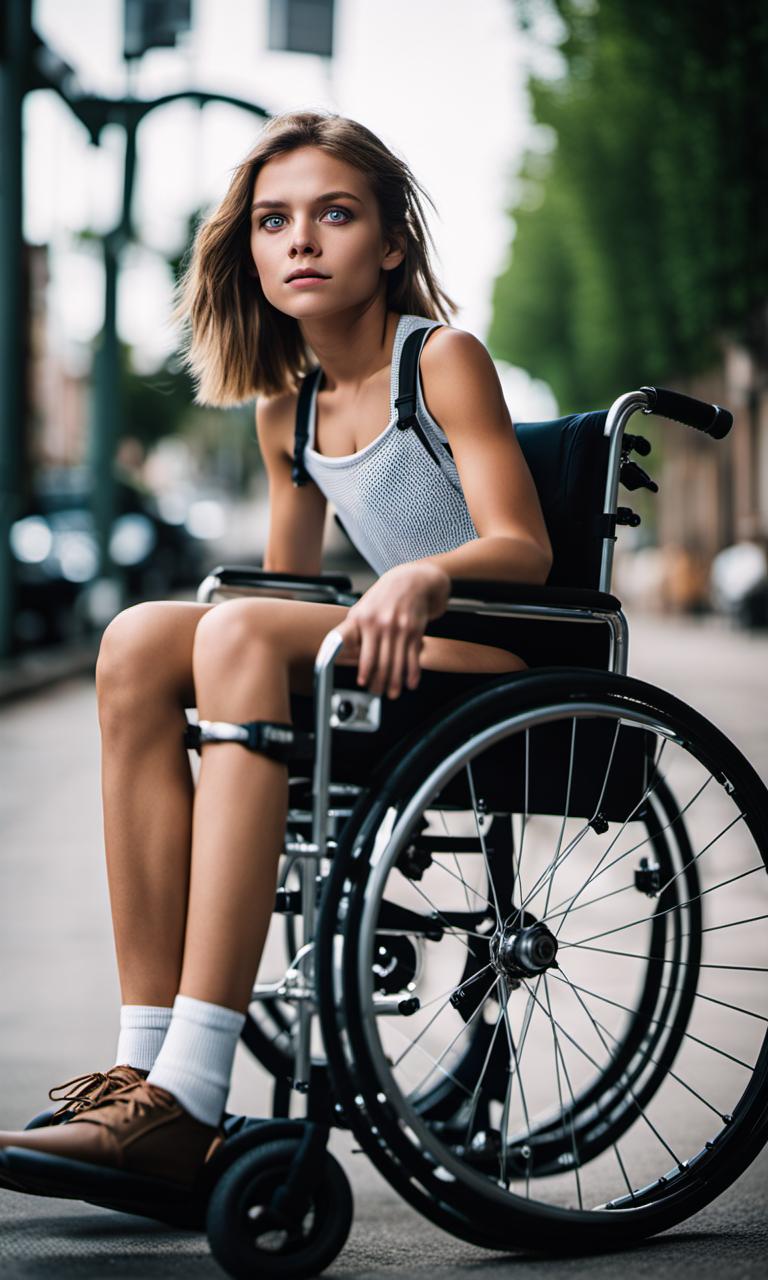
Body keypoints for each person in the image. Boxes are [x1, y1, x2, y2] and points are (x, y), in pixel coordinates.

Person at [0, 110, 552, 1190]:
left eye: (334, 214)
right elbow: (284, 584)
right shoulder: (284, 408)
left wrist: (423, 574)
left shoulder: (439, 359)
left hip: (498, 661)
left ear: (389, 242)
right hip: (389, 654)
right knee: (140, 638)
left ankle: (193, 1093)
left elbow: (524, 547)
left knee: (245, 631)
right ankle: (143, 1063)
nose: (300, 240)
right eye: (273, 221)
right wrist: (295, 613)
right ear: (249, 249)